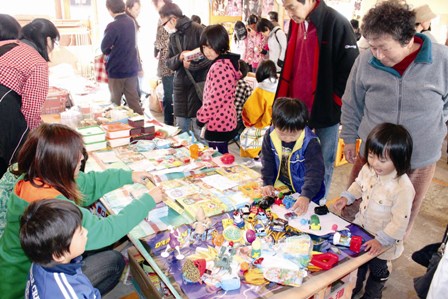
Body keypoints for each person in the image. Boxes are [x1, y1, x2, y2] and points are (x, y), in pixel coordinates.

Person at [0, 123, 163, 298]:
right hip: (24, 288)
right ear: (58, 163)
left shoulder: (36, 178)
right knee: (113, 261)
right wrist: (148, 200)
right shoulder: (50, 207)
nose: (81, 159)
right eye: (75, 157)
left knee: (97, 241)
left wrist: (129, 176)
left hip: (20, 272)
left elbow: (87, 183)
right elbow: (106, 230)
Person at [340, 1, 448, 237]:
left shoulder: (442, 60)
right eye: (372, 46)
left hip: (419, 159)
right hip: (373, 155)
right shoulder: (365, 61)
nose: (377, 55)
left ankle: (384, 261)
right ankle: (345, 255)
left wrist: (436, 128)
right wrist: (349, 138)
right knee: (354, 205)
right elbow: (351, 101)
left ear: (408, 39)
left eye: (384, 48)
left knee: (401, 215)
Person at [277, 0, 359, 201]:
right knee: (294, 157)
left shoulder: (336, 23)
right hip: (296, 110)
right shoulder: (296, 24)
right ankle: (296, 197)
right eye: (285, 8)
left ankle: (316, 202)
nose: (288, 13)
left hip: (325, 110)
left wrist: (334, 101)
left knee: (321, 161)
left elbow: (350, 68)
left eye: (290, 7)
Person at [331, 123, 415, 298]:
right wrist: (346, 198)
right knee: (357, 265)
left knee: (377, 270)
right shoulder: (368, 169)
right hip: (362, 230)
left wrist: (381, 240)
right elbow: (358, 185)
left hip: (383, 244)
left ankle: (373, 294)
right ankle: (354, 288)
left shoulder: (403, 188)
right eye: (371, 155)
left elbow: (400, 222)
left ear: (399, 158)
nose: (375, 163)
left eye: (382, 160)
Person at [0, 18, 59, 178]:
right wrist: (43, 136)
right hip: (4, 111)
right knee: (10, 166)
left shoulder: (8, 46)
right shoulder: (37, 62)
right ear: (48, 40)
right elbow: (30, 111)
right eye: (55, 42)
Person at [20, 199, 100, 299]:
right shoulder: (73, 295)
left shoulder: (41, 255)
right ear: (59, 255)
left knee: (114, 259)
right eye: (80, 233)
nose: (86, 232)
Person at [261, 97, 325, 215]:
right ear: (274, 124)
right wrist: (267, 182)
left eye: (293, 135)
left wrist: (306, 196)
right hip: (284, 188)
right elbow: (267, 160)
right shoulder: (270, 135)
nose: (288, 139)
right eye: (283, 134)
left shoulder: (310, 142)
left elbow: (315, 172)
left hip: (308, 193)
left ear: (303, 126)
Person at [160, 2, 211, 140]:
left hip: (198, 87)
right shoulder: (173, 36)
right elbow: (168, 62)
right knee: (181, 136)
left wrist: (192, 65)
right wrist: (181, 56)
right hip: (180, 89)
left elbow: (211, 58)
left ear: (173, 19)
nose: (165, 28)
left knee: (200, 135)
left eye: (164, 24)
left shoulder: (200, 30)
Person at [196, 24, 241, 154]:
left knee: (218, 159)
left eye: (210, 47)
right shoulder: (227, 63)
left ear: (220, 44)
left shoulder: (220, 67)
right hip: (225, 120)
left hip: (218, 123)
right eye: (204, 47)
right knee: (222, 156)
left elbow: (214, 100)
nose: (207, 51)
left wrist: (201, 118)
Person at [101, 0, 143, 115]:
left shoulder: (112, 26)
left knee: (115, 104)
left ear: (109, 10)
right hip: (131, 69)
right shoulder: (132, 22)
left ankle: (118, 128)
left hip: (116, 70)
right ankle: (143, 127)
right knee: (134, 103)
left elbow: (104, 47)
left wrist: (111, 50)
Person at [240, 59, 277, 158]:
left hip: (262, 127)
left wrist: (248, 120)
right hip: (277, 126)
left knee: (245, 139)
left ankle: (256, 158)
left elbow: (251, 112)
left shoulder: (260, 91)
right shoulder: (280, 87)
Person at [153, 0, 175, 125]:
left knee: (169, 95)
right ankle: (170, 123)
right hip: (174, 63)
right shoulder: (175, 18)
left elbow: (159, 42)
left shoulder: (164, 19)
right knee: (170, 95)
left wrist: (156, 47)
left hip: (169, 63)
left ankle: (169, 122)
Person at [125, 0, 144, 97]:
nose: (138, 12)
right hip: (130, 65)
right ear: (128, 8)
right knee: (135, 96)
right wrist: (139, 67)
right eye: (136, 9)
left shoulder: (126, 20)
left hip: (124, 66)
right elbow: (134, 48)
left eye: (139, 9)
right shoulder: (130, 22)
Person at [234, 60, 253, 133]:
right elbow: (249, 108)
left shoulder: (226, 82)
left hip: (222, 118)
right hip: (237, 121)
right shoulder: (246, 87)